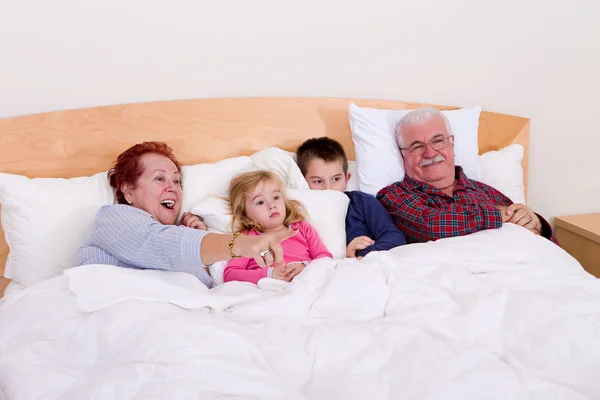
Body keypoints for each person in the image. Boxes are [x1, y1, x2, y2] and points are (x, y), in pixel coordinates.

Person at [75, 141, 294, 288]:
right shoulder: (112, 219)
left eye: (177, 180)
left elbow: (206, 292)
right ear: (128, 190)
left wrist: (202, 260)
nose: (172, 187)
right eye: (159, 178)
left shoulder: (182, 233)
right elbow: (157, 243)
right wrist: (238, 244)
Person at [376, 107, 559, 245]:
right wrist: (494, 214)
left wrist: (535, 222)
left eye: (438, 141)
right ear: (403, 154)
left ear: (452, 143)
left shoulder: (485, 191)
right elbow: (429, 227)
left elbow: (547, 248)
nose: (430, 153)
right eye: (417, 146)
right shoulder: (393, 196)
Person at [296, 137, 407, 258]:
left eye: (336, 179)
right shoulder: (300, 213)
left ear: (346, 178)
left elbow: (394, 236)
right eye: (317, 181)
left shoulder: (362, 202)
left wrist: (362, 255)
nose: (328, 189)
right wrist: (345, 254)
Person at [223, 170, 332, 284]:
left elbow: (324, 257)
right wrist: (270, 274)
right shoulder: (247, 239)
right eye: (260, 202)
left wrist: (305, 266)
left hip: (307, 281)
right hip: (270, 289)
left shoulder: (302, 228)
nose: (272, 205)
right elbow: (230, 275)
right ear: (244, 213)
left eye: (276, 197)